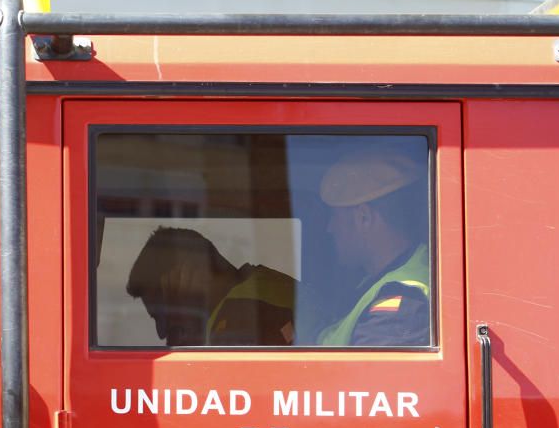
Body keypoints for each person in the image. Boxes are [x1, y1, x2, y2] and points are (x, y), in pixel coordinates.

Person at [316, 148, 429, 347]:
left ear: (363, 217)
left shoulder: (402, 304)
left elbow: (363, 375)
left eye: (335, 217)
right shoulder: (380, 280)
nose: (330, 228)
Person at [126, 227, 295, 347]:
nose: (161, 333)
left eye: (161, 316)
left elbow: (211, 387)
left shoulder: (239, 313)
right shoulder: (262, 285)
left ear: (187, 274)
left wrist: (187, 321)